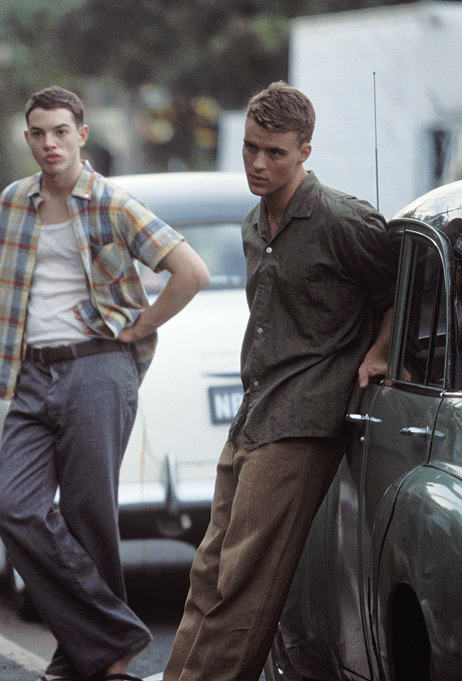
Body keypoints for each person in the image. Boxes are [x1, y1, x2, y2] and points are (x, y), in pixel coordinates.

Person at [0, 85, 210, 681]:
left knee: (90, 515)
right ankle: (114, 637)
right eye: (39, 133)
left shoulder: (114, 205)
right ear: (28, 138)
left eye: (61, 132)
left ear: (82, 136)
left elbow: (189, 271)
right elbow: (4, 290)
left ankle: (85, 656)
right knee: (13, 509)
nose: (49, 143)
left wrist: (141, 325)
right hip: (33, 374)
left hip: (98, 369)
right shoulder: (16, 202)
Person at [162, 81, 397, 681]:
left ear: (306, 151)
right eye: (250, 149)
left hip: (305, 417)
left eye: (275, 153)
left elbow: (400, 289)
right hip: (256, 410)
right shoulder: (252, 225)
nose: (258, 164)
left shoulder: (343, 220)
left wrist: (378, 350)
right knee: (209, 570)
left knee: (245, 579)